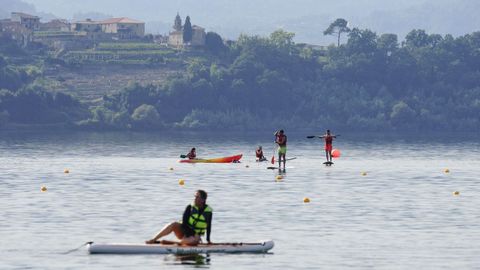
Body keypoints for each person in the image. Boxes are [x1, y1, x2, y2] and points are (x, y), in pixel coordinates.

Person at [146, 190, 213, 245]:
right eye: (195, 196)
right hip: (184, 231)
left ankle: (174, 243)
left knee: (195, 239)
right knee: (173, 224)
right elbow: (184, 224)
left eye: (197, 197)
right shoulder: (190, 207)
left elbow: (208, 226)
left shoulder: (208, 212)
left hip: (195, 237)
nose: (195, 198)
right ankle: (153, 240)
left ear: (203, 200)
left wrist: (208, 240)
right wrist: (190, 234)